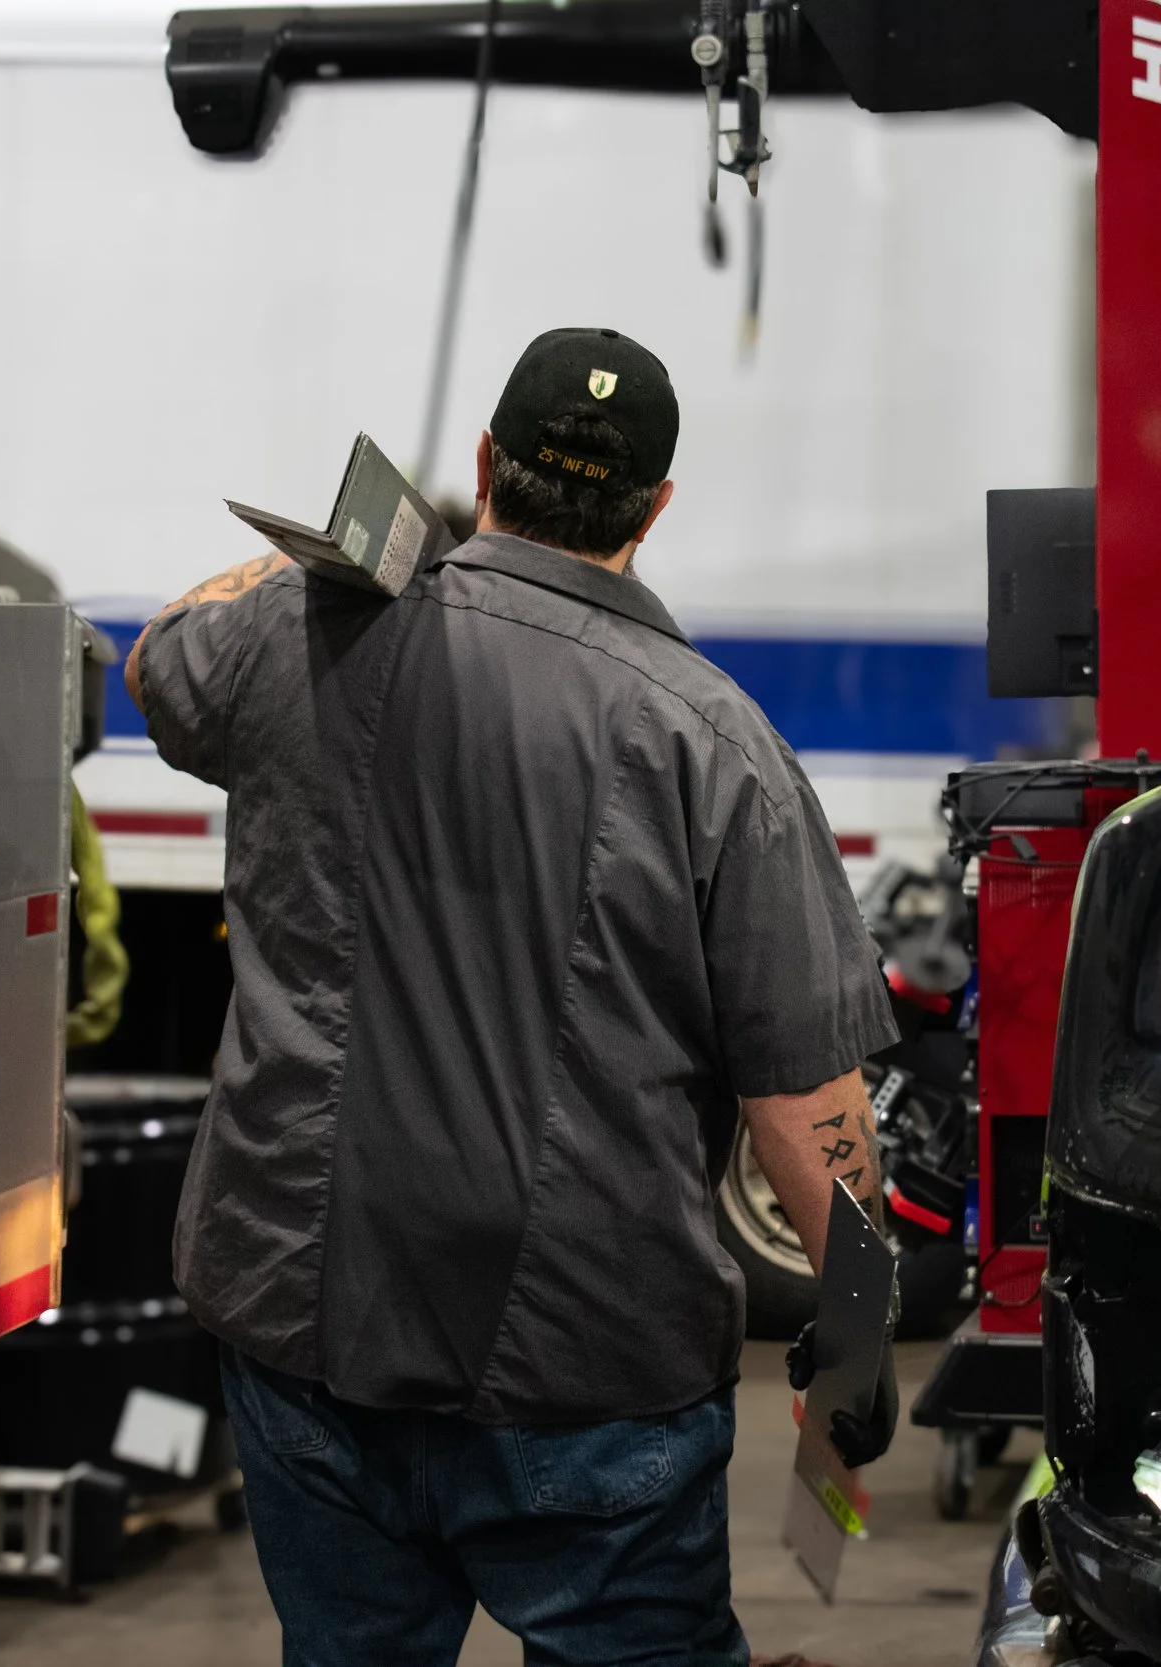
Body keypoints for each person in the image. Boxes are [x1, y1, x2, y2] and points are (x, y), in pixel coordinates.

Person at [127, 326, 901, 1666]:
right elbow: (805, 1106)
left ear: (482, 464)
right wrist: (860, 1346)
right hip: (588, 1373)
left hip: (306, 1333)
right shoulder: (716, 740)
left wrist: (314, 556)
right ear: (655, 508)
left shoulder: (306, 626)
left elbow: (155, 660)